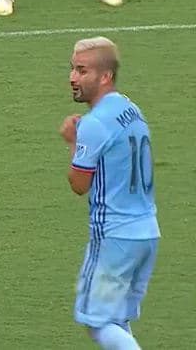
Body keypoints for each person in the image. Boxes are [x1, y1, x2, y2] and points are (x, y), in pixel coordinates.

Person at [59, 37, 160, 350]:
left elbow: (79, 184)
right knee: (117, 321)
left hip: (115, 237)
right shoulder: (131, 109)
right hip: (146, 232)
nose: (73, 77)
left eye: (82, 70)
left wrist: (73, 142)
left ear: (105, 76)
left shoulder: (94, 124)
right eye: (72, 69)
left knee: (98, 323)